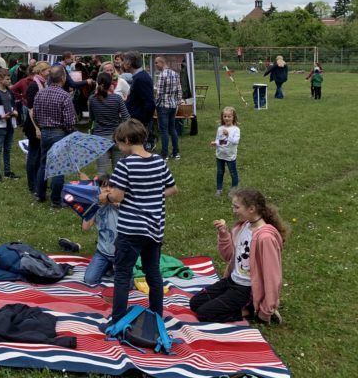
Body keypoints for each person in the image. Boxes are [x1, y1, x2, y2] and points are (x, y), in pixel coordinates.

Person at [102, 119, 178, 326]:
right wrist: (151, 195)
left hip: (131, 230)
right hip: (154, 228)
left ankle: (117, 319)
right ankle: (156, 317)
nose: (119, 147)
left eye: (119, 143)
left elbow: (117, 196)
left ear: (127, 140)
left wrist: (105, 198)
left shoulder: (124, 164)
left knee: (122, 273)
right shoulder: (159, 161)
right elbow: (172, 188)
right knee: (153, 272)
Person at [189, 188, 286, 324]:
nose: (233, 210)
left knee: (204, 314)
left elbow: (272, 276)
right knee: (195, 303)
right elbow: (228, 256)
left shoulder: (265, 238)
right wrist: (224, 234)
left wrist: (267, 309)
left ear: (251, 209)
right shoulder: (243, 227)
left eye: (236, 207)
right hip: (232, 281)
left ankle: (252, 310)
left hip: (247, 289)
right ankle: (246, 306)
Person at [33, 66, 76, 207]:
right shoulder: (65, 96)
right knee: (59, 167)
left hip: (45, 132)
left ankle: (40, 195)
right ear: (63, 78)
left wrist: (41, 127)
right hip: (60, 132)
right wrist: (70, 132)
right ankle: (56, 200)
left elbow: (36, 115)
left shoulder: (40, 94)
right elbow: (70, 121)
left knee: (44, 164)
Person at [88, 72, 130, 179]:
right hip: (116, 137)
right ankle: (118, 193)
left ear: (98, 83)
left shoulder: (92, 99)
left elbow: (92, 118)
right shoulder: (117, 98)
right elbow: (127, 118)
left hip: (100, 138)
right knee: (118, 170)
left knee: (101, 171)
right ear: (111, 84)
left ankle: (102, 193)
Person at [82, 177, 120, 285]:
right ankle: (108, 266)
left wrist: (109, 199)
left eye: (111, 186)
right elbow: (85, 228)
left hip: (121, 253)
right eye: (104, 186)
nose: (108, 189)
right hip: (102, 252)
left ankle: (111, 267)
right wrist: (89, 207)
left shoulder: (120, 203)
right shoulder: (96, 205)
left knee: (127, 285)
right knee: (90, 280)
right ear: (98, 189)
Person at [23, 61, 49, 197]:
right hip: (33, 125)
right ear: (41, 72)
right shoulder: (34, 85)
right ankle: (32, 184)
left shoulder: (42, 84)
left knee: (39, 154)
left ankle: (39, 182)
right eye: (47, 70)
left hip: (40, 124)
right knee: (33, 155)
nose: (49, 72)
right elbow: (31, 109)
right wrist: (37, 128)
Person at [123, 51, 155, 148]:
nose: (122, 64)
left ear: (129, 63)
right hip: (136, 119)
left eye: (124, 61)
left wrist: (143, 122)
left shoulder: (141, 78)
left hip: (138, 121)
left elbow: (149, 103)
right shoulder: (139, 76)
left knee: (137, 149)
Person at [155, 56, 182, 161]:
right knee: (172, 129)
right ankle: (176, 153)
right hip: (173, 105)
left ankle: (164, 154)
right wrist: (178, 102)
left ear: (162, 62)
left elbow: (159, 93)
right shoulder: (175, 74)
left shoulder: (162, 75)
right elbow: (179, 91)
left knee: (164, 131)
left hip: (163, 106)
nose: (156, 65)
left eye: (156, 63)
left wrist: (156, 104)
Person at [212, 107, 241, 197]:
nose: (227, 118)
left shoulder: (236, 129)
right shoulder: (220, 128)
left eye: (229, 116)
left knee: (233, 173)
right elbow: (220, 140)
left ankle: (234, 191)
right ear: (222, 117)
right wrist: (215, 143)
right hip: (220, 154)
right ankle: (219, 189)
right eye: (225, 116)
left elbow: (235, 142)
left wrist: (228, 135)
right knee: (220, 172)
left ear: (233, 117)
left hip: (230, 155)